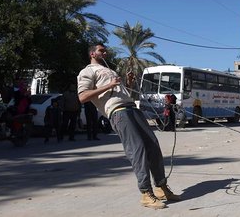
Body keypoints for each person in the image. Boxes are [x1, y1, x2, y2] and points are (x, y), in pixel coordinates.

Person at [77, 43, 180, 210]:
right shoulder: (87, 71)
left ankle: (162, 188)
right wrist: (109, 85)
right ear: (92, 54)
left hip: (132, 108)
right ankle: (146, 193)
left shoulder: (110, 70)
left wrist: (129, 83)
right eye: (101, 50)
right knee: (137, 149)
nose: (105, 52)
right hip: (118, 112)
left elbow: (122, 92)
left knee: (153, 145)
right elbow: (82, 97)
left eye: (105, 50)